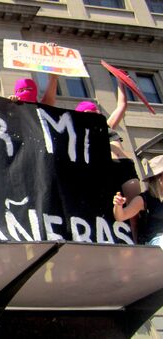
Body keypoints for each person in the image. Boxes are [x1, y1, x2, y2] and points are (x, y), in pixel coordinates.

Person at [77, 82, 141, 242]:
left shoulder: (107, 125)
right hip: (108, 170)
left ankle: (139, 241)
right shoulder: (81, 134)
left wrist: (120, 82)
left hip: (125, 166)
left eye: (94, 111)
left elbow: (122, 105)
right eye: (87, 113)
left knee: (135, 207)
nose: (93, 114)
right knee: (115, 207)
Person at [113, 155, 163, 246]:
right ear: (158, 178)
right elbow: (121, 216)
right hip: (156, 241)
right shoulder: (144, 199)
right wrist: (118, 205)